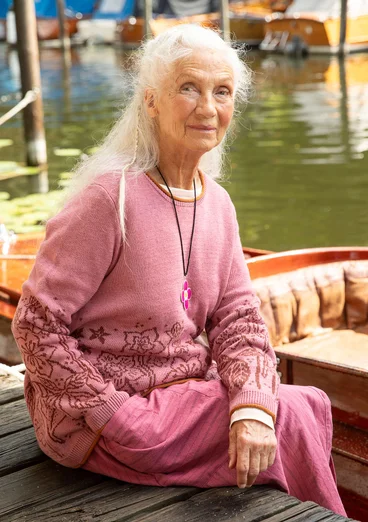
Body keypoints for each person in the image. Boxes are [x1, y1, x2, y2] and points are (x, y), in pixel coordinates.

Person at [12, 24, 346, 516]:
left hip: (182, 398)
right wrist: (112, 412)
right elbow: (35, 325)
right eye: (188, 88)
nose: (208, 108)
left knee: (298, 406)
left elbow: (237, 318)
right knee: (295, 415)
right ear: (151, 101)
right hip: (99, 420)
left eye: (223, 92)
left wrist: (250, 401)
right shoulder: (110, 200)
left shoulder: (219, 205)